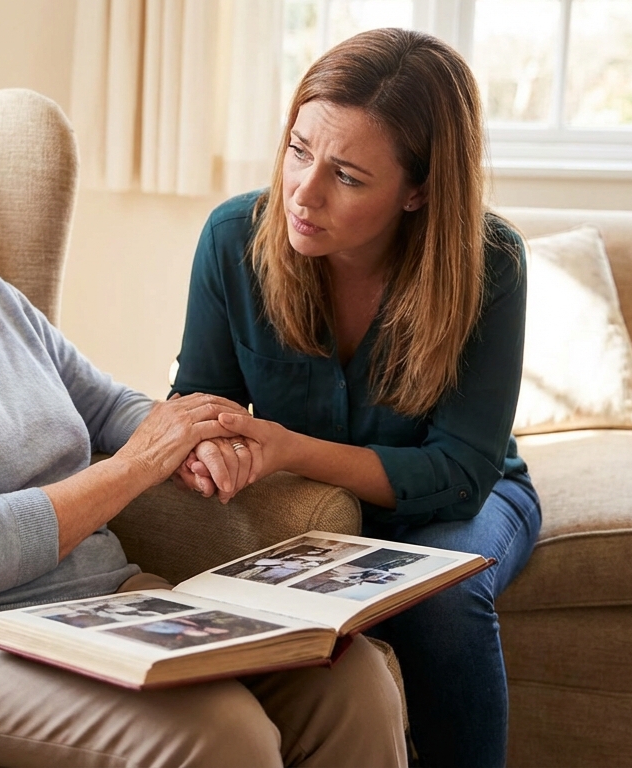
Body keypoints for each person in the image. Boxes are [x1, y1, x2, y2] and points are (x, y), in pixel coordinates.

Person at [0, 40, 407, 767]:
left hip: (102, 603)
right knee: (218, 735)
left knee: (350, 679)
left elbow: (106, 407)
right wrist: (137, 464)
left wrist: (195, 442)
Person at [169, 28, 542, 768]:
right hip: (308, 510)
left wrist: (289, 449)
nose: (302, 193)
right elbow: (197, 400)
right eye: (299, 150)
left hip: (462, 502)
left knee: (440, 600)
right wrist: (206, 448)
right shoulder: (231, 239)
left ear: (419, 190)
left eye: (346, 174)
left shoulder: (489, 263)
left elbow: (460, 474)